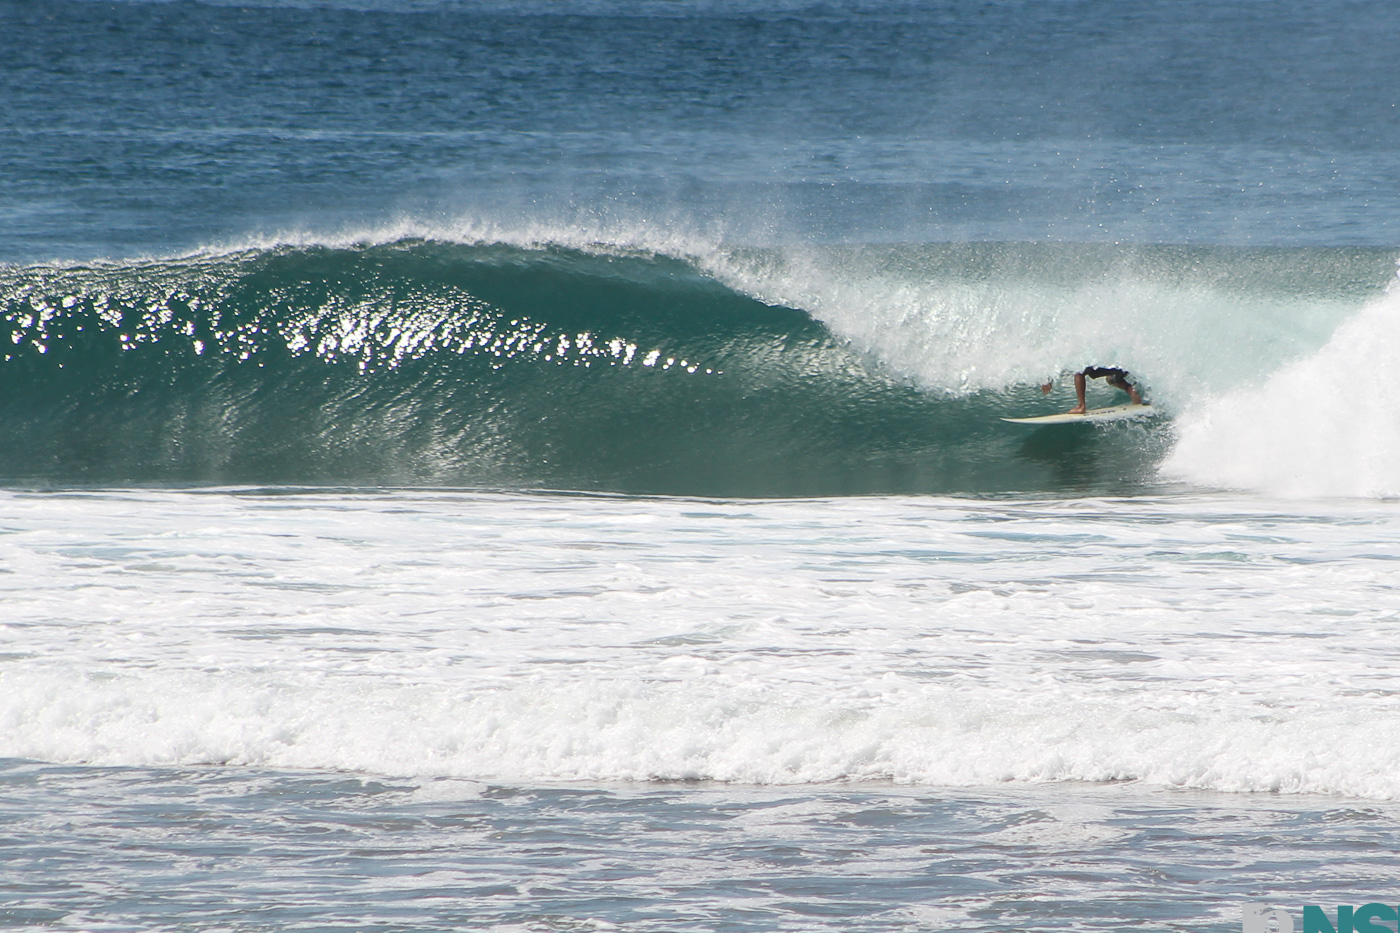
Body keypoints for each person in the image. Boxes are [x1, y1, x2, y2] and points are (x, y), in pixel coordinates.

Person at [1041, 367, 1145, 414]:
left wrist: (1049, 381)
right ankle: (1132, 391)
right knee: (1111, 379)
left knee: (1079, 371)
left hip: (1106, 362)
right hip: (1122, 364)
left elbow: (1062, 364)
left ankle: (1081, 406)